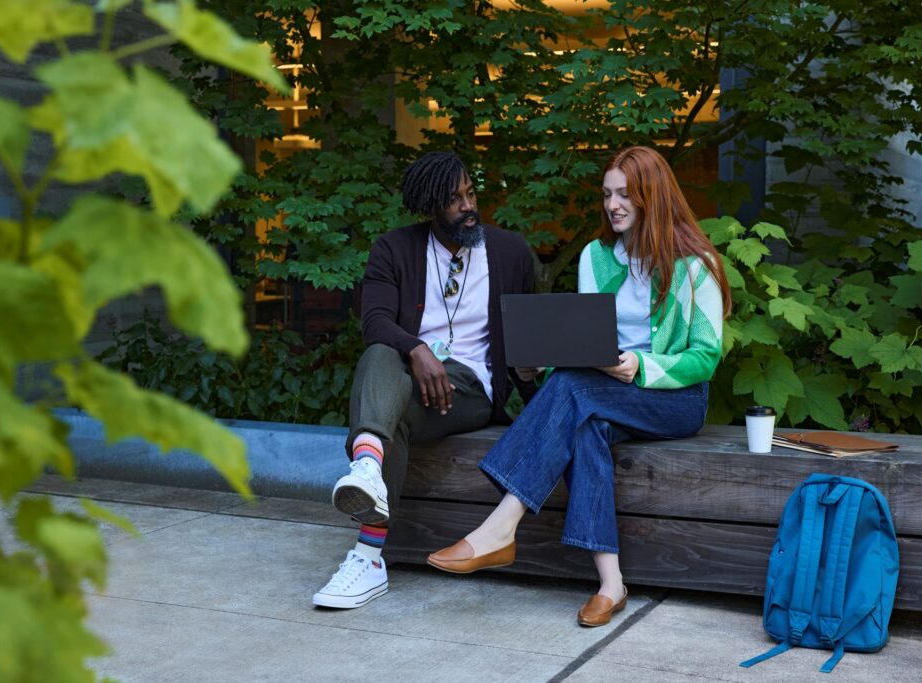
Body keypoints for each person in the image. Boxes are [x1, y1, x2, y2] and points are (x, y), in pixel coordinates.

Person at [426, 146, 732, 627]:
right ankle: (611, 585)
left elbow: (706, 357)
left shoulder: (696, 265)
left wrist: (641, 367)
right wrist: (539, 366)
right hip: (601, 390)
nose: (613, 205)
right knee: (582, 423)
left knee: (576, 392)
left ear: (653, 197)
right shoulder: (595, 257)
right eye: (608, 194)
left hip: (675, 400)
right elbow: (586, 343)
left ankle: (499, 528)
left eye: (626, 195)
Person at [312, 151, 536, 609]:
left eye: (471, 193)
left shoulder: (511, 252)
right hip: (410, 385)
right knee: (381, 356)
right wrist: (417, 350)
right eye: (454, 200)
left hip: (471, 389)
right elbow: (375, 321)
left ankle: (367, 531)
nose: (468, 205)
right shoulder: (395, 249)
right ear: (430, 206)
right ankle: (369, 510)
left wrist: (531, 376)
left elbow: (531, 334)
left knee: (386, 392)